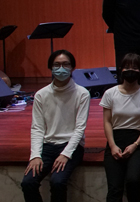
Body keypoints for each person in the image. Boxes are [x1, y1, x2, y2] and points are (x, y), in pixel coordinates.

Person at [22, 50, 90, 202]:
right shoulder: (41, 94)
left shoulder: (82, 93)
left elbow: (80, 128)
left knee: (58, 182)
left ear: (72, 68)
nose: (61, 68)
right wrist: (35, 155)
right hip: (47, 145)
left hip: (71, 147)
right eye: (57, 65)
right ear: (51, 68)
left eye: (65, 64)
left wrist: (65, 154)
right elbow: (37, 127)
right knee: (28, 183)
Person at [101, 54, 140, 202]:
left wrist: (135, 145)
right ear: (121, 70)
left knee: (133, 181)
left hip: (138, 144)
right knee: (115, 188)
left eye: (134, 68)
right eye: (127, 67)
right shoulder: (110, 93)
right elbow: (107, 122)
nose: (130, 70)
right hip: (115, 142)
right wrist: (112, 145)